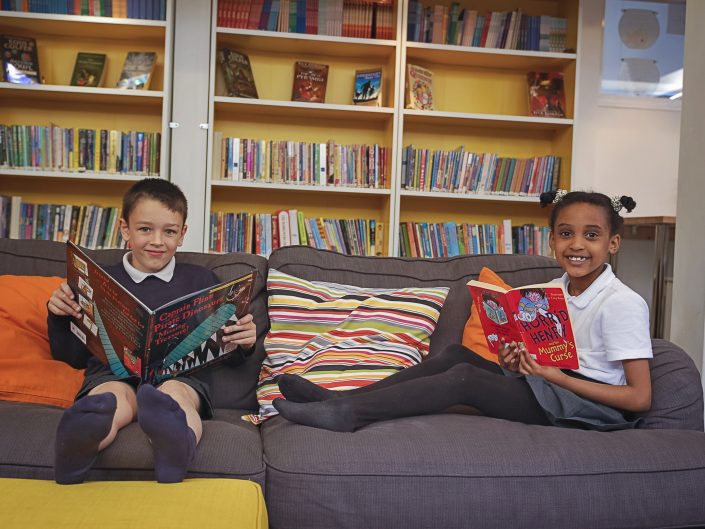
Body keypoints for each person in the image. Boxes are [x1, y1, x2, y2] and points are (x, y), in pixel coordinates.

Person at [272, 190, 653, 433]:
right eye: (566, 234)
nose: (577, 245)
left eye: (592, 235)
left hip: (587, 407)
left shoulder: (621, 303)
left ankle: (348, 415)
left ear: (613, 243)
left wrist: (556, 377)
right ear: (552, 240)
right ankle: (339, 399)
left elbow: (639, 399)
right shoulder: (551, 290)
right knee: (456, 354)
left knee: (465, 378)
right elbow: (550, 353)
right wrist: (514, 359)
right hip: (549, 383)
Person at [47, 178, 257, 484]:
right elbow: (71, 356)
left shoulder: (202, 280)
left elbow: (225, 350)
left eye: (169, 231)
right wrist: (58, 316)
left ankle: (176, 445)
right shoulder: (97, 279)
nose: (157, 241)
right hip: (111, 373)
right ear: (125, 229)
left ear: (182, 234)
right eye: (145, 229)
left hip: (181, 376)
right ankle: (78, 444)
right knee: (111, 397)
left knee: (175, 395)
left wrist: (244, 342)